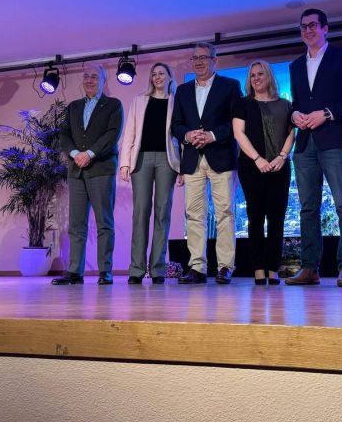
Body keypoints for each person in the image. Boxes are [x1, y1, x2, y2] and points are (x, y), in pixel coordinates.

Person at [286, 8, 342, 287]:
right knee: (308, 208)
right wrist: (294, 114)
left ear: (325, 28)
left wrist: (327, 114)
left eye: (313, 25)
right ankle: (310, 268)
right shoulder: (295, 66)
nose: (308, 30)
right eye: (303, 26)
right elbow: (297, 103)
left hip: (336, 141)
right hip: (304, 144)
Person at [171, 42, 242, 284]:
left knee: (225, 213)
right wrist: (188, 135)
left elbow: (235, 123)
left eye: (204, 57)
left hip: (221, 156)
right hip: (192, 159)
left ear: (214, 60)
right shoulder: (182, 90)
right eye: (195, 58)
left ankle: (225, 266)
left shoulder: (230, 86)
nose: (199, 62)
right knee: (194, 214)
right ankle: (197, 267)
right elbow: (176, 125)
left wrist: (212, 135)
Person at [52, 64, 123, 285]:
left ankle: (105, 271)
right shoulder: (73, 107)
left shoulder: (113, 105)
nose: (89, 80)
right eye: (86, 76)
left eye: (94, 77)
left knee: (104, 223)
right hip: (76, 171)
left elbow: (112, 135)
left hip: (101, 169)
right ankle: (75, 271)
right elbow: (64, 134)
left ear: (103, 81)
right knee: (76, 224)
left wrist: (90, 154)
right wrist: (75, 154)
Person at [119, 63, 182, 284]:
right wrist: (124, 163)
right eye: (154, 74)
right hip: (142, 160)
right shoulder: (139, 100)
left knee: (163, 213)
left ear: (169, 77)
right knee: (141, 212)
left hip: (167, 160)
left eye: (161, 73)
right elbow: (129, 133)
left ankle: (157, 269)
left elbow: (181, 136)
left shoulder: (176, 101)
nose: (157, 77)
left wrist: (183, 167)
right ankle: (136, 269)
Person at [232, 60, 294, 285]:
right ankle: (258, 268)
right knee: (255, 217)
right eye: (252, 75)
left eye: (260, 74)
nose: (256, 78)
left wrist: (282, 157)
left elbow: (291, 133)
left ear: (269, 76)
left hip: (280, 166)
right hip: (251, 166)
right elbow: (239, 134)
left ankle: (273, 268)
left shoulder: (285, 104)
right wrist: (257, 159)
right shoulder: (243, 103)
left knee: (277, 218)